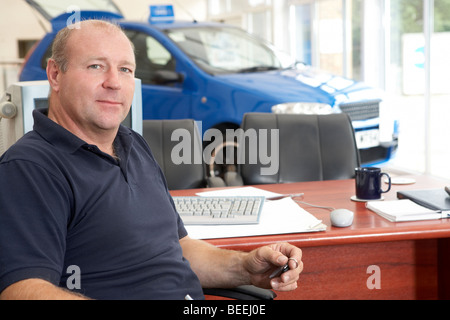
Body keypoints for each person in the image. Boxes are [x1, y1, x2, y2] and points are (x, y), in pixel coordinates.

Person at [0, 19, 302, 300]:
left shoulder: (133, 145)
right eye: (96, 66)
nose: (114, 83)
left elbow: (178, 248)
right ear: (55, 74)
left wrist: (245, 267)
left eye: (125, 70)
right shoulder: (30, 168)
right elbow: (22, 289)